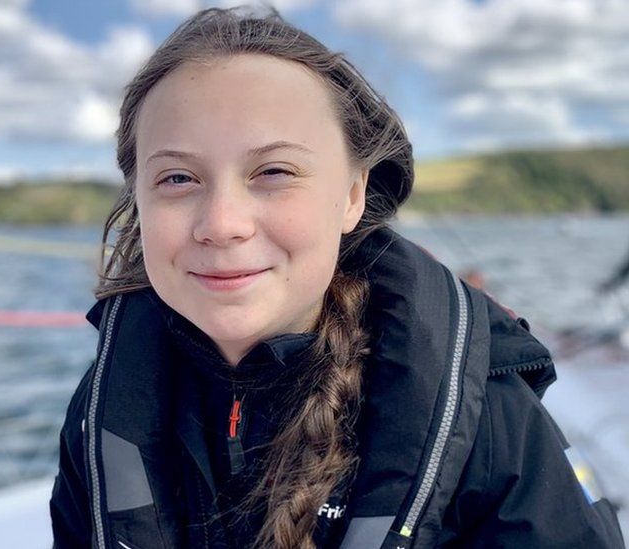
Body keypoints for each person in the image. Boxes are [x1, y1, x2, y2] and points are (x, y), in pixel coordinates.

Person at [50, 6, 625, 549]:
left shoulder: (486, 420)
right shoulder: (102, 408)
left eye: (273, 171)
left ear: (352, 195)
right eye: (177, 179)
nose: (221, 224)